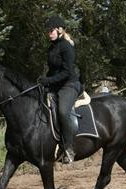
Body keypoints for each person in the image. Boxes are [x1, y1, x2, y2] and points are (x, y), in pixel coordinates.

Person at [39, 15, 81, 164]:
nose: (48, 33)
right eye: (48, 31)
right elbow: (53, 70)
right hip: (56, 84)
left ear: (60, 30)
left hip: (69, 85)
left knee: (63, 112)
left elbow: (67, 72)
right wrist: (43, 82)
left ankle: (68, 149)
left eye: (51, 30)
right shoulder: (52, 48)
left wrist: (49, 80)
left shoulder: (67, 47)